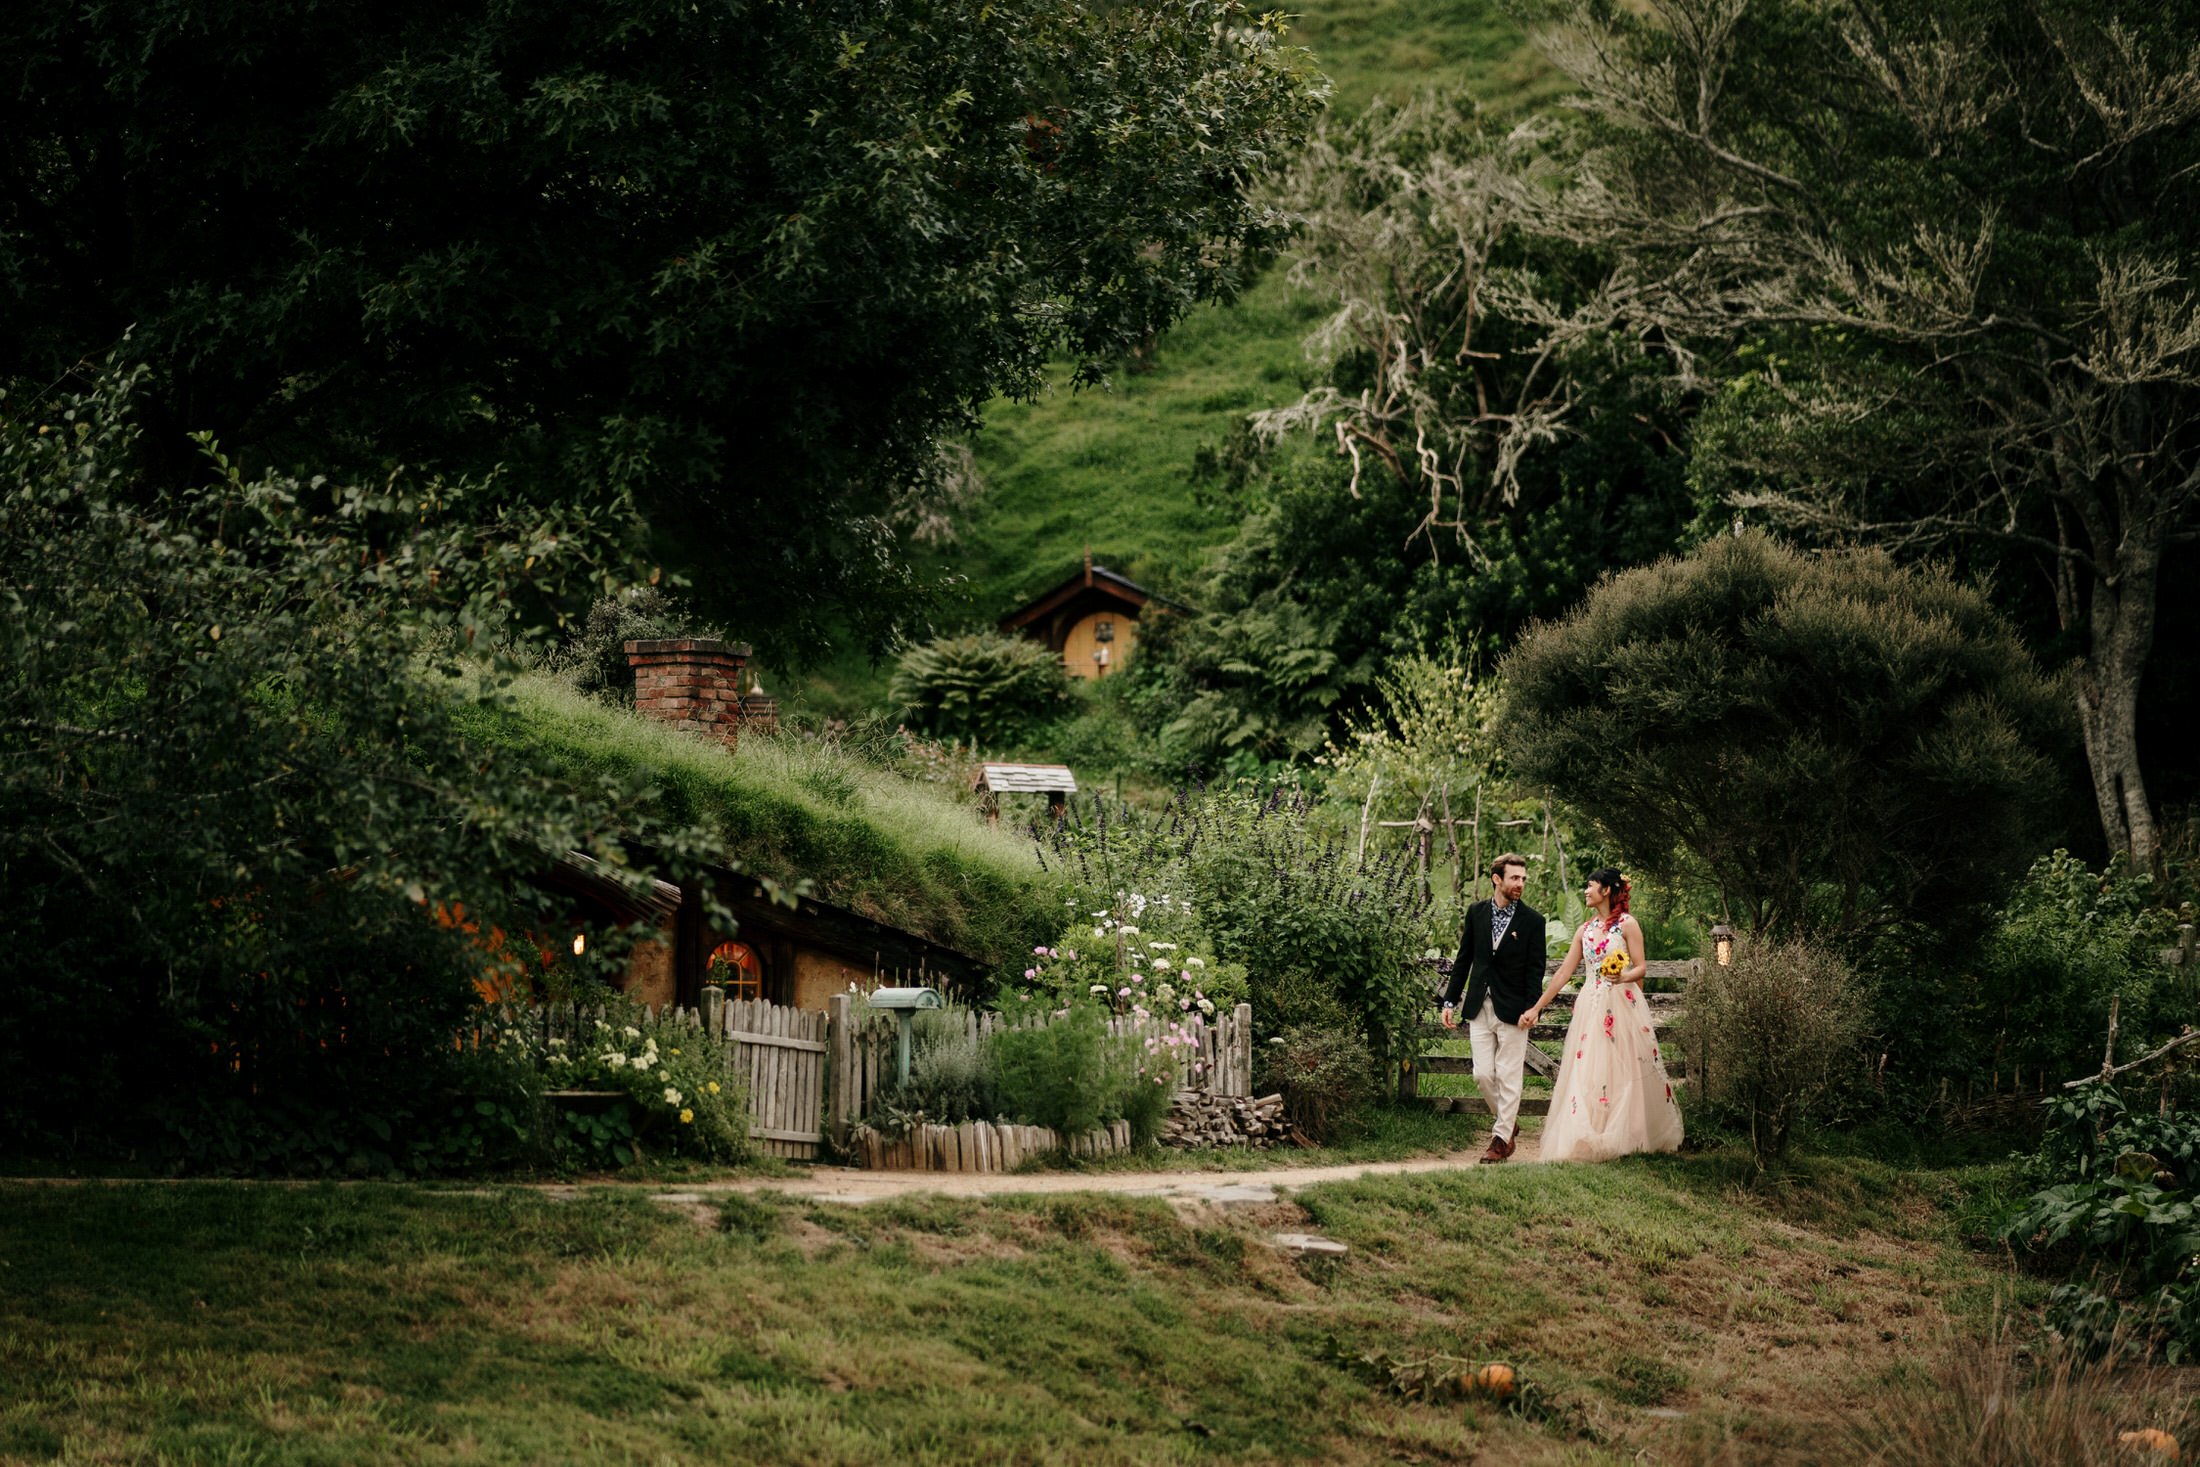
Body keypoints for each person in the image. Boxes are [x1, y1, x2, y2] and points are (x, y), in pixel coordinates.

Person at [1524, 867, 1683, 1163]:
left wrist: (1622, 978)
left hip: (1622, 1003)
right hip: (1591, 1005)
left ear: (1606, 890)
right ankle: (1590, 1134)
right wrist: (1537, 1007)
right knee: (1589, 1069)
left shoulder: (1627, 924)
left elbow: (1641, 967)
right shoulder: (1583, 930)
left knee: (1626, 1068)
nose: (1586, 891)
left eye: (1590, 885)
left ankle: (1629, 1136)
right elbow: (1563, 973)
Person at [1441, 853, 1546, 1163]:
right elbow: (1464, 960)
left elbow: (1535, 969)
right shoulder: (1476, 913)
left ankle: (1500, 1140)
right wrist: (1450, 1000)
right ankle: (1508, 1124)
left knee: (1510, 1075)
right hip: (1478, 1006)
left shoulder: (1533, 921)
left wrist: (1532, 1008)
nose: (1520, 884)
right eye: (1515, 878)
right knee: (1483, 1075)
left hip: (1514, 1009)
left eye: (1523, 879)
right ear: (1497, 879)